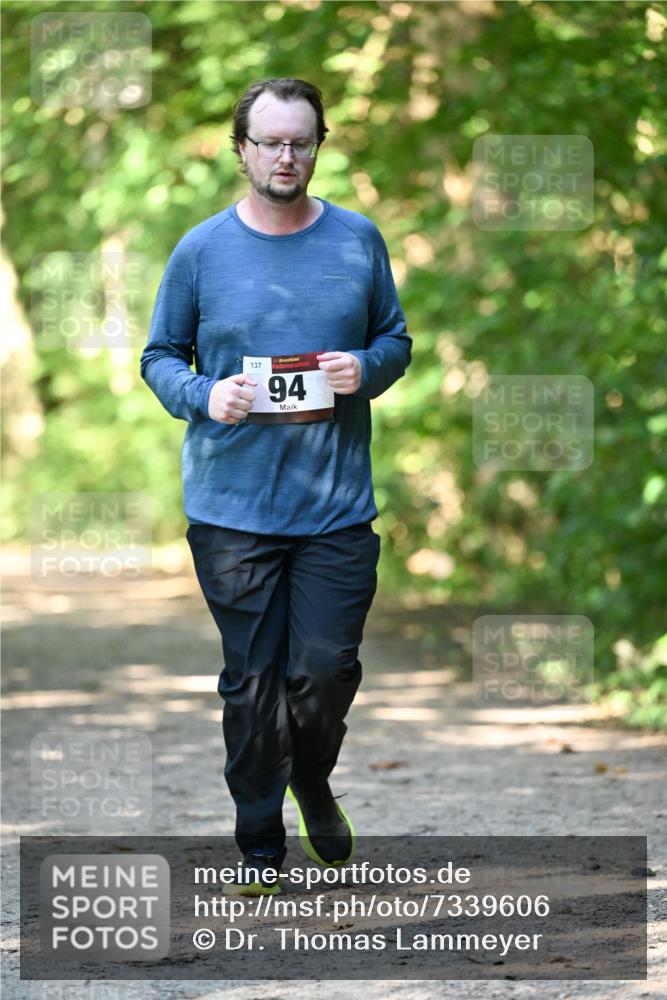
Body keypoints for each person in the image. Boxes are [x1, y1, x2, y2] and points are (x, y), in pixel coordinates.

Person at [140, 77, 411, 895]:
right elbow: (160, 356)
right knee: (252, 682)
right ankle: (259, 842)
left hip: (335, 505)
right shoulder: (201, 251)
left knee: (324, 671)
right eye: (270, 142)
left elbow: (394, 341)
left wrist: (363, 368)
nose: (285, 156)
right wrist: (203, 395)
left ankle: (312, 780)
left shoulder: (357, 240)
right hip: (232, 507)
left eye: (301, 142)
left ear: (318, 146)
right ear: (242, 150)